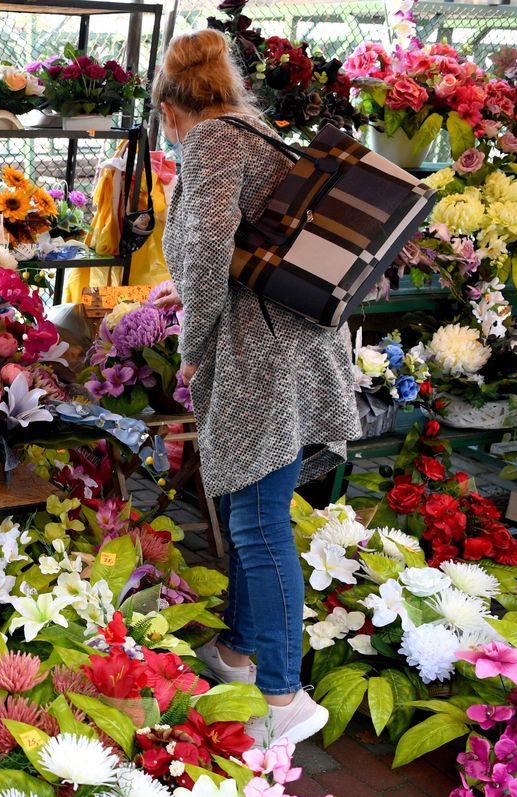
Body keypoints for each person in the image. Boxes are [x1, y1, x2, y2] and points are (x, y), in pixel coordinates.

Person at [148, 29, 361, 746]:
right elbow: (245, 248)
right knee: (247, 504)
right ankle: (239, 651)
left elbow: (208, 246)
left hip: (259, 358)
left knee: (257, 521)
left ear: (170, 110)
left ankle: (282, 695)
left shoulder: (208, 141)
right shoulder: (259, 133)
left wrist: (194, 340)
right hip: (296, 347)